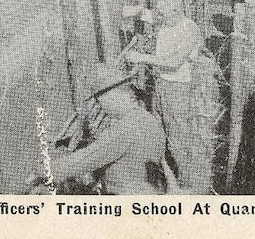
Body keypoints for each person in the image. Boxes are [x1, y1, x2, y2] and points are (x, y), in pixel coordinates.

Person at [25, 64, 167, 195]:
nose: (100, 106)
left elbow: (84, 161)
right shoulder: (148, 119)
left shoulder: (124, 130)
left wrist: (42, 171)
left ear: (111, 96)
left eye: (99, 100)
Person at [123, 0, 208, 191]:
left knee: (178, 138)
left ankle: (187, 185)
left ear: (177, 12)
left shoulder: (189, 30)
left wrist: (140, 57)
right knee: (160, 130)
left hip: (177, 88)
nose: (158, 17)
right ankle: (167, 176)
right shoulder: (166, 20)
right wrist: (135, 11)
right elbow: (143, 14)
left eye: (162, 13)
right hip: (161, 85)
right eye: (158, 13)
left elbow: (173, 62)